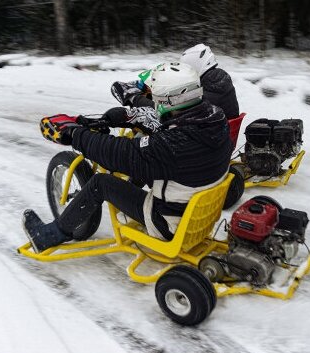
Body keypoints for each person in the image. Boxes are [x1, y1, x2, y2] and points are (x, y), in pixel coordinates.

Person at [23, 62, 232, 252]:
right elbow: (166, 129)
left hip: (168, 223)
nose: (155, 102)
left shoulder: (171, 146)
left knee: (101, 183)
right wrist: (129, 116)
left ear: (170, 99)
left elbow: (120, 154)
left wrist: (76, 135)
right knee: (144, 155)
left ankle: (49, 236)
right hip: (197, 211)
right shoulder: (215, 118)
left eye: (157, 97)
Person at [111, 44, 240, 123]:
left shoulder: (205, 91)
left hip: (200, 136)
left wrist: (135, 98)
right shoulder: (218, 79)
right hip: (218, 131)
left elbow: (168, 107)